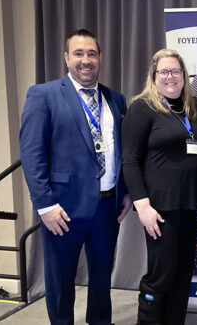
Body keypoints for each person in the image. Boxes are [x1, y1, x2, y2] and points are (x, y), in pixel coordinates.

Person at [19, 29, 131, 325]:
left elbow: (124, 151)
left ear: (100, 58)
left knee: (101, 280)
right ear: (66, 57)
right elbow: (32, 154)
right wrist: (45, 205)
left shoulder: (115, 99)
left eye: (91, 54)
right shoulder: (43, 95)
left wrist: (127, 192)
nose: (86, 60)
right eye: (78, 53)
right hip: (62, 210)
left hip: (107, 207)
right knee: (60, 282)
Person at [121, 49, 197, 324]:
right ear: (154, 76)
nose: (171, 77)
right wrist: (143, 206)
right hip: (160, 208)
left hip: (192, 204)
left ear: (185, 75)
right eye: (164, 72)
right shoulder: (142, 108)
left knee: (183, 272)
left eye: (176, 71)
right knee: (161, 274)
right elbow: (130, 160)